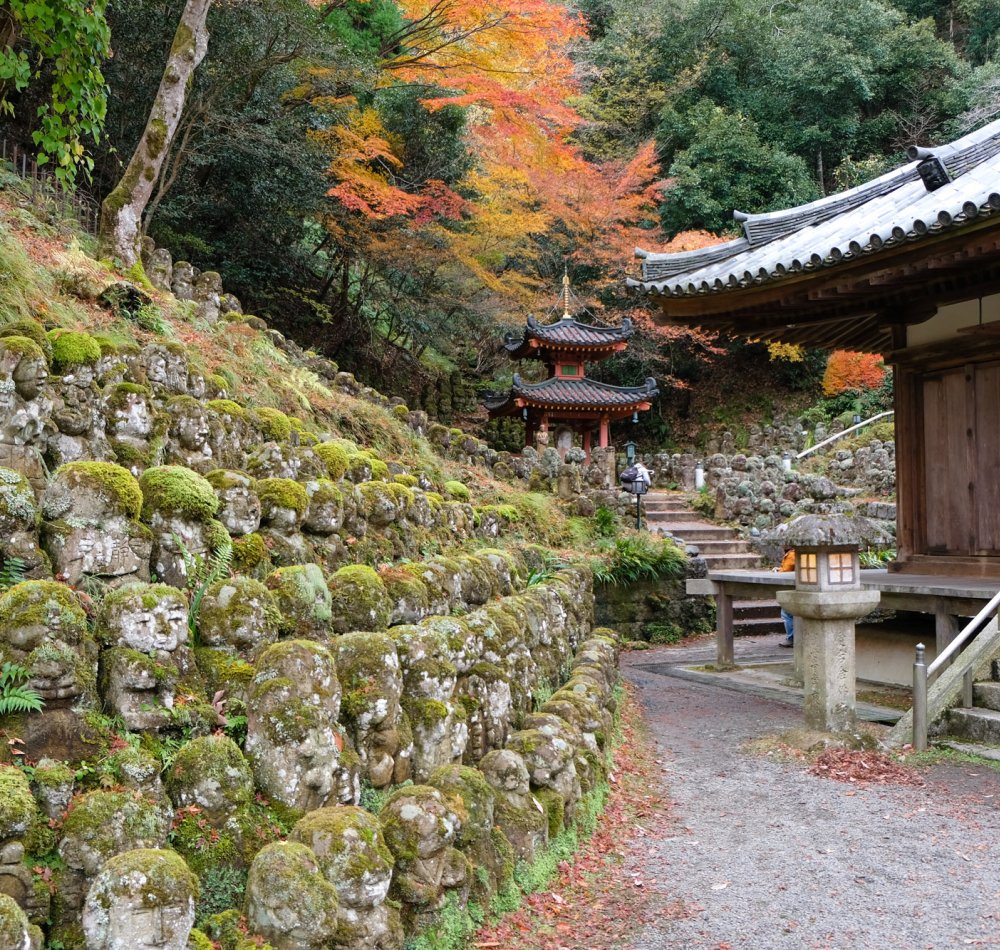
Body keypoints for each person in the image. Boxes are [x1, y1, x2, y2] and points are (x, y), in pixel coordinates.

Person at [778, 548, 795, 647]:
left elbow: (785, 571)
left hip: (792, 587)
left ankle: (791, 638)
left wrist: (778, 571)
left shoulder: (792, 554)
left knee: (786, 612)